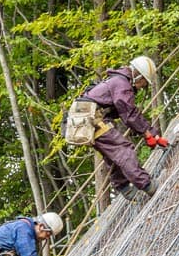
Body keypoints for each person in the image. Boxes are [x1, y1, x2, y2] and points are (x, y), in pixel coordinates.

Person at [66, 57, 171, 203]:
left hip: (87, 118)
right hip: (92, 118)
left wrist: (152, 135)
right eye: (144, 82)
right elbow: (129, 114)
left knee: (113, 154)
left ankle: (125, 188)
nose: (142, 86)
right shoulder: (122, 84)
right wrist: (148, 134)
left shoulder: (117, 81)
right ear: (138, 75)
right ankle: (148, 185)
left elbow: (126, 113)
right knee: (123, 150)